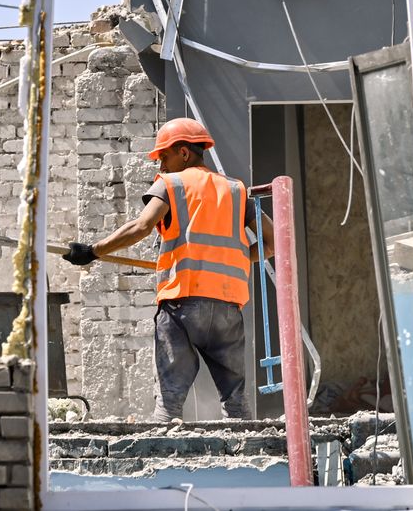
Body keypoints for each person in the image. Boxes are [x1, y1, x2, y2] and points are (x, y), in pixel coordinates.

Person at [63, 117, 274, 421]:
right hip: (228, 307)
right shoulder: (235, 190)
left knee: (170, 402)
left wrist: (93, 251)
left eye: (164, 156)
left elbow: (141, 226)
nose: (161, 166)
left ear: (184, 152)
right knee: (237, 404)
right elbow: (272, 242)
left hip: (182, 306)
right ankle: (248, 457)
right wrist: (238, 258)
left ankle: (159, 460)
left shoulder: (171, 184)